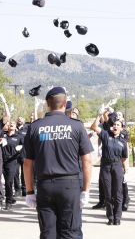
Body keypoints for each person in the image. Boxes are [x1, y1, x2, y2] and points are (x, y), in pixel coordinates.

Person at [24, 87, 93, 238]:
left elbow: (27, 163)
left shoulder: (35, 127)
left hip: (45, 186)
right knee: (70, 232)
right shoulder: (76, 126)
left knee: (48, 233)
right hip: (69, 186)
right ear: (65, 103)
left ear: (47, 104)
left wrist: (29, 192)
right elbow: (87, 161)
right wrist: (86, 191)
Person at [91, 108, 129, 225]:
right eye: (114, 124)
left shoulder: (123, 141)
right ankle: (110, 217)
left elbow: (124, 158)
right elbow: (93, 127)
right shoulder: (106, 135)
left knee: (117, 194)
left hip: (117, 166)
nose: (116, 126)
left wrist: (126, 171)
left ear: (121, 128)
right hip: (106, 166)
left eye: (118, 125)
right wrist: (99, 114)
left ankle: (117, 217)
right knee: (108, 194)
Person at [1, 119, 22, 210]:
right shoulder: (3, 135)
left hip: (12, 161)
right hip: (2, 160)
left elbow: (25, 147)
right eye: (10, 124)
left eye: (13, 124)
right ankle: (10, 197)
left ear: (16, 127)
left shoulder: (18, 137)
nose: (11, 125)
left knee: (9, 182)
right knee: (2, 181)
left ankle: (8, 202)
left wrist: (21, 147)